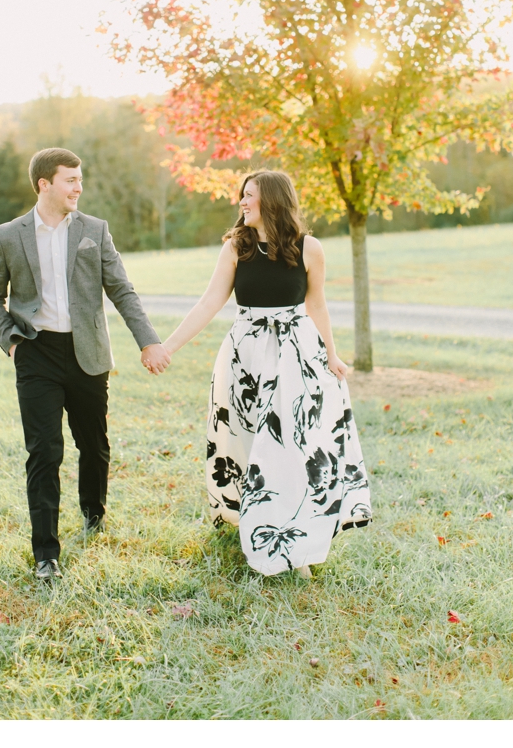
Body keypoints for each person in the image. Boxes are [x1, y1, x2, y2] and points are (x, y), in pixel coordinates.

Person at [158, 171, 373, 577]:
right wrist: (168, 347)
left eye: (250, 195)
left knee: (295, 444)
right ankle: (257, 527)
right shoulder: (234, 248)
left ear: (271, 201)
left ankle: (299, 544)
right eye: (242, 195)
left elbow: (318, 307)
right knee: (251, 444)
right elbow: (208, 304)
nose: (242, 202)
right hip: (246, 357)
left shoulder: (309, 248)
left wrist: (333, 354)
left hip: (296, 356)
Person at [0, 148, 171, 583]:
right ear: (44, 184)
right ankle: (46, 554)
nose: (79, 187)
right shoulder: (8, 236)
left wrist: (149, 341)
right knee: (44, 453)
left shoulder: (94, 230)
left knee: (94, 443)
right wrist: (11, 342)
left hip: (88, 354)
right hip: (35, 353)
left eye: (80, 179)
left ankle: (94, 515)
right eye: (70, 180)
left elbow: (123, 290)